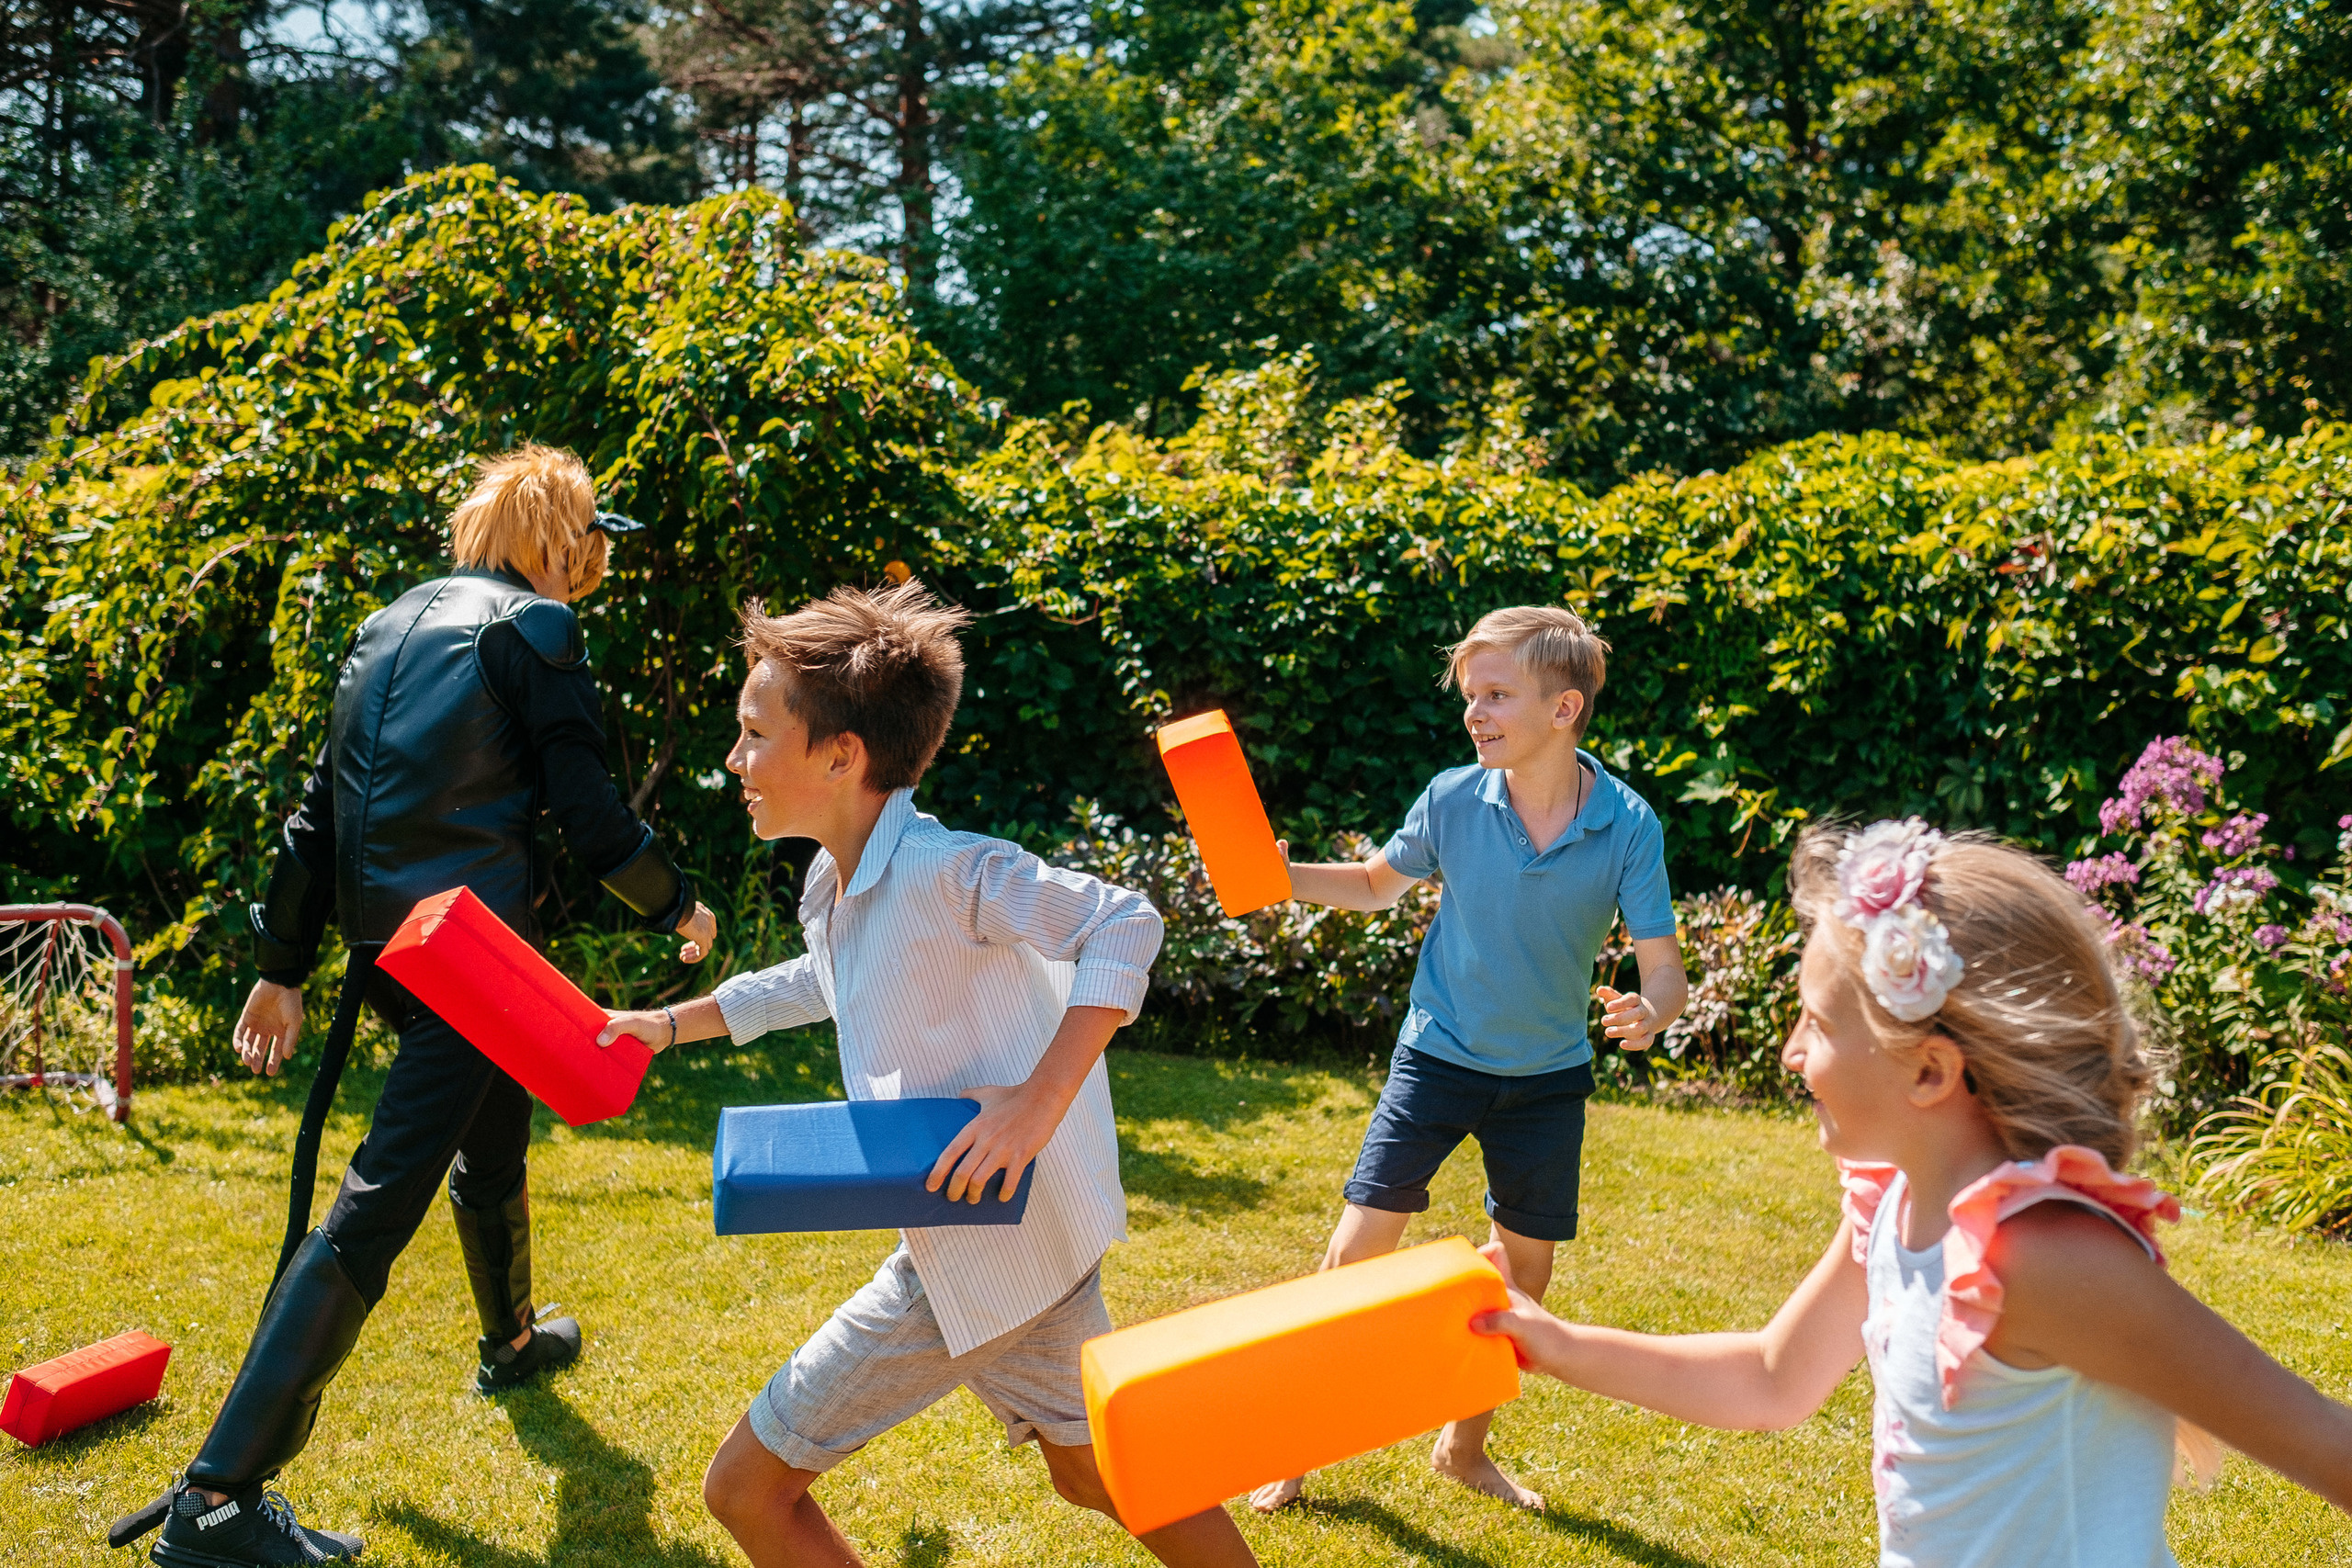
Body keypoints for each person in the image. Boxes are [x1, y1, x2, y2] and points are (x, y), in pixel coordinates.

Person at [115, 446, 717, 1567]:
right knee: (377, 1201)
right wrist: (677, 904)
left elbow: (317, 816)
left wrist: (282, 964)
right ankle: (218, 1500)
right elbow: (590, 816)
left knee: (490, 1135)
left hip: (387, 953)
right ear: (561, 540)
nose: (596, 558)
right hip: (472, 959)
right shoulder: (537, 629)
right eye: (591, 535)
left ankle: (511, 1341)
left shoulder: (387, 625)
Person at [1469, 819, 2352, 1566]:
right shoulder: (1896, 1205)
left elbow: (2325, 1444)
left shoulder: (2042, 1257)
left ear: (1929, 1070)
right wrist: (1556, 1343)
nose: (1790, 1051)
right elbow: (1771, 1378)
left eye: (1816, 1022)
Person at [594, 580, 1260, 1568]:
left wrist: (1036, 1104)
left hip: (969, 1255)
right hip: (1019, 1238)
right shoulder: (839, 878)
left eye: (753, 735)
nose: (734, 759)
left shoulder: (948, 872)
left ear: (841, 755)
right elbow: (818, 979)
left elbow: (1125, 924)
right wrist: (669, 1024)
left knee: (745, 1490)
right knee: (1095, 1472)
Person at [1250, 604, 1689, 1514]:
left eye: (1495, 695)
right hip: (1438, 1057)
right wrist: (1281, 875)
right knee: (1356, 1250)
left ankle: (1463, 1446)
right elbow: (1376, 886)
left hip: (1546, 1080)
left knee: (1524, 1277)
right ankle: (1294, 1442)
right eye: (1469, 696)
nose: (1473, 713)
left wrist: (1653, 1011)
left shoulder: (1626, 824)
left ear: (1563, 708)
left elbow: (1662, 966)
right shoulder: (1453, 797)